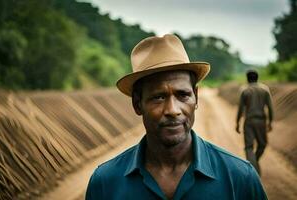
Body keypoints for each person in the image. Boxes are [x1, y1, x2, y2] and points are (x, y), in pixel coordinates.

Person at [85, 34, 267, 199]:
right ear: (137, 104)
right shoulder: (105, 184)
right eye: (158, 97)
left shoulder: (240, 178)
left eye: (183, 95)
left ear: (196, 97)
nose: (173, 110)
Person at [236, 70, 273, 175]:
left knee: (249, 147)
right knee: (262, 144)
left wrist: (238, 122)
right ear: (257, 77)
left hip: (249, 121)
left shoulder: (245, 90)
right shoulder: (265, 90)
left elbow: (240, 109)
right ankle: (255, 167)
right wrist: (270, 122)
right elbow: (270, 107)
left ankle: (253, 164)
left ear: (247, 78)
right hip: (261, 121)